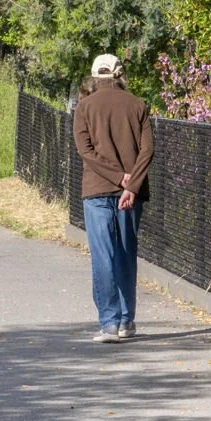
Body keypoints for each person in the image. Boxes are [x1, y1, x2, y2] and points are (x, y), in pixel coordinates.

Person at [73, 52, 153, 341]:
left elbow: (86, 151)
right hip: (132, 193)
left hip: (97, 190)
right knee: (126, 253)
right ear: (120, 75)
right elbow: (147, 151)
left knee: (103, 255)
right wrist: (130, 185)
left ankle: (108, 322)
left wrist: (117, 177)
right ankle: (126, 321)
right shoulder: (138, 106)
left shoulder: (84, 107)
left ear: (95, 77)